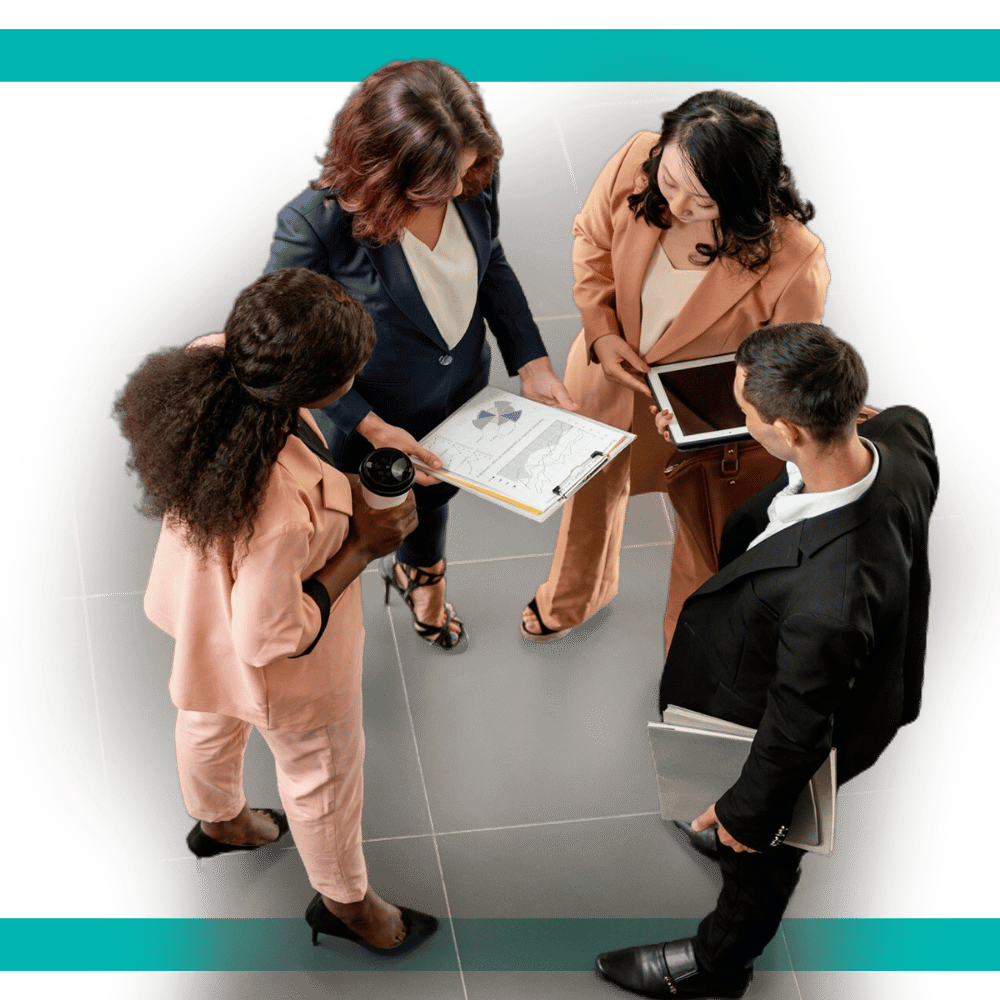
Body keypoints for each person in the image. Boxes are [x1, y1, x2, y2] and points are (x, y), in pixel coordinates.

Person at [594, 323, 939, 999]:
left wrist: (747, 817)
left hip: (789, 719)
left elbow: (796, 729)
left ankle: (721, 965)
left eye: (746, 414)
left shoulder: (828, 602)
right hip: (855, 668)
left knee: (766, 857)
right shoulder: (905, 433)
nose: (739, 421)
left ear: (793, 429)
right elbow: (872, 421)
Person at [121, 269, 438, 953]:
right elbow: (273, 635)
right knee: (320, 775)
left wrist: (353, 482)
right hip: (284, 669)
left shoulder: (220, 361)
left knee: (206, 713)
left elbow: (294, 461)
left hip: (200, 615)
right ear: (315, 387)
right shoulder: (285, 520)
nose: (358, 376)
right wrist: (364, 545)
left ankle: (220, 822)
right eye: (351, 371)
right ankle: (348, 905)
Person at [265, 59, 575, 654]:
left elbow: (493, 265)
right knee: (360, 524)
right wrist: (376, 426)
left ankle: (422, 576)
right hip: (363, 421)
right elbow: (292, 351)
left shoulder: (472, 177)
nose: (460, 191)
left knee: (433, 498)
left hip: (459, 390)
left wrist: (531, 362)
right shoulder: (316, 227)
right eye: (442, 184)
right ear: (385, 174)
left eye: (464, 173)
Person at [520, 90, 829, 650]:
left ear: (743, 197)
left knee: (703, 541)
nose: (680, 205)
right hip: (606, 379)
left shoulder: (795, 260)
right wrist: (602, 331)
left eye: (705, 201)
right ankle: (573, 597)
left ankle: (685, 655)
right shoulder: (637, 157)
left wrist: (709, 414)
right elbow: (591, 241)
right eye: (671, 180)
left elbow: (782, 371)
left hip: (703, 423)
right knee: (587, 498)